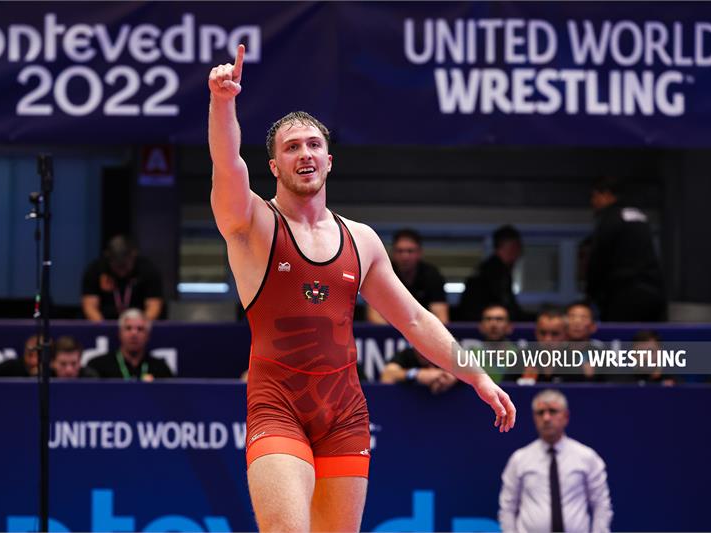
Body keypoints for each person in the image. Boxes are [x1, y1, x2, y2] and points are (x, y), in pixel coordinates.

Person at [208, 44, 515, 533]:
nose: (304, 153)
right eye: (291, 147)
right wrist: (222, 104)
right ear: (274, 167)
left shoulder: (362, 240)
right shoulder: (252, 225)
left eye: (312, 145)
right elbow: (228, 169)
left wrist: (476, 376)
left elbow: (415, 320)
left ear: (330, 160)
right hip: (277, 405)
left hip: (344, 413)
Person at [499, 389, 613, 532]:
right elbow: (508, 508)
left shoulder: (587, 457)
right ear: (534, 418)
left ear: (566, 416)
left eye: (552, 411)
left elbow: (601, 505)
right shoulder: (520, 459)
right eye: (540, 413)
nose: (546, 418)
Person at [587, 176, 666, 321]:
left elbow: (598, 259)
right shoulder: (641, 216)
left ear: (606, 195)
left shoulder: (609, 219)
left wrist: (590, 293)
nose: (593, 202)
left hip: (622, 297)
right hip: (653, 294)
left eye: (594, 196)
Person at [367, 228, 448, 324]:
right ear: (393, 253)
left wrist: (416, 333)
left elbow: (441, 317)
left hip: (424, 331)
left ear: (419, 253)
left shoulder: (432, 275)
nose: (405, 256)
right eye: (400, 251)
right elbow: (374, 316)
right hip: (391, 332)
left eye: (410, 251)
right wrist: (399, 333)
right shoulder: (381, 274)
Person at [455, 225, 532, 322]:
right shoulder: (495, 271)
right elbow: (507, 306)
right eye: (518, 247)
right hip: (480, 326)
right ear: (512, 246)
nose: (519, 253)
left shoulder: (490, 267)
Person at [80, 235, 164, 321]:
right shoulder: (95, 271)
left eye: (124, 266)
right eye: (117, 266)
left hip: (137, 323)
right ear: (108, 257)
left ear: (133, 255)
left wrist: (137, 327)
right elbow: (90, 306)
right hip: (104, 322)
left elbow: (153, 306)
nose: (121, 272)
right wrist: (103, 327)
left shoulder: (148, 271)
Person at [87, 308, 172, 381]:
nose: (134, 334)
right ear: (119, 334)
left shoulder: (160, 368)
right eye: (128, 328)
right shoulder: (98, 366)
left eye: (140, 329)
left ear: (148, 336)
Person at [518, 307, 568, 384]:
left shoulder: (573, 360)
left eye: (555, 334)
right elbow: (504, 391)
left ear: (565, 335)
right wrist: (523, 382)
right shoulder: (522, 357)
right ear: (536, 333)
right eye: (543, 333)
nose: (548, 339)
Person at [380, 347, 457, 394]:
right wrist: (416, 374)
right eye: (419, 345)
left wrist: (455, 377)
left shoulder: (450, 353)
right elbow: (387, 375)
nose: (423, 351)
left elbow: (467, 370)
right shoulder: (406, 355)